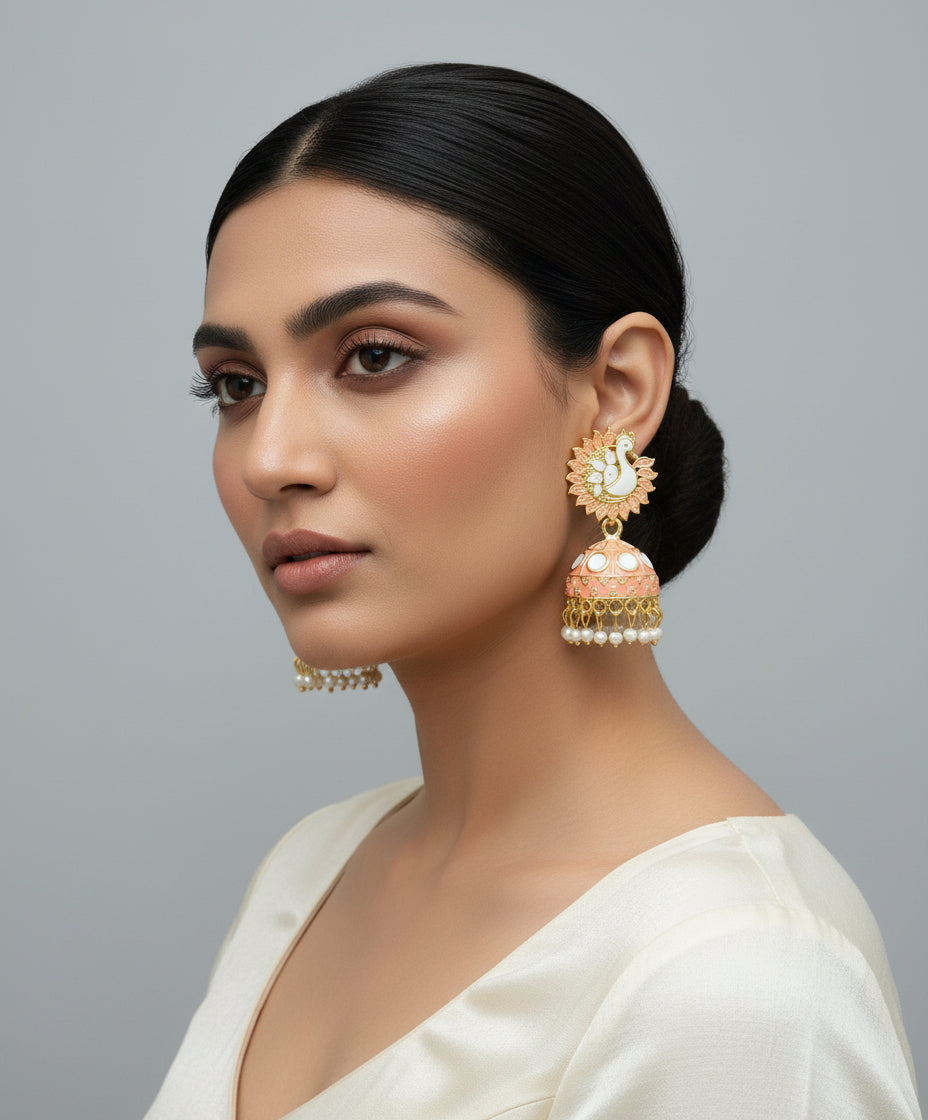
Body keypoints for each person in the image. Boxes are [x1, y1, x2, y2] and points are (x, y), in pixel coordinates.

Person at [145, 63, 920, 1119]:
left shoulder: (734, 984)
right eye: (237, 385)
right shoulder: (315, 869)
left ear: (615, 392)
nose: (271, 456)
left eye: (374, 355)